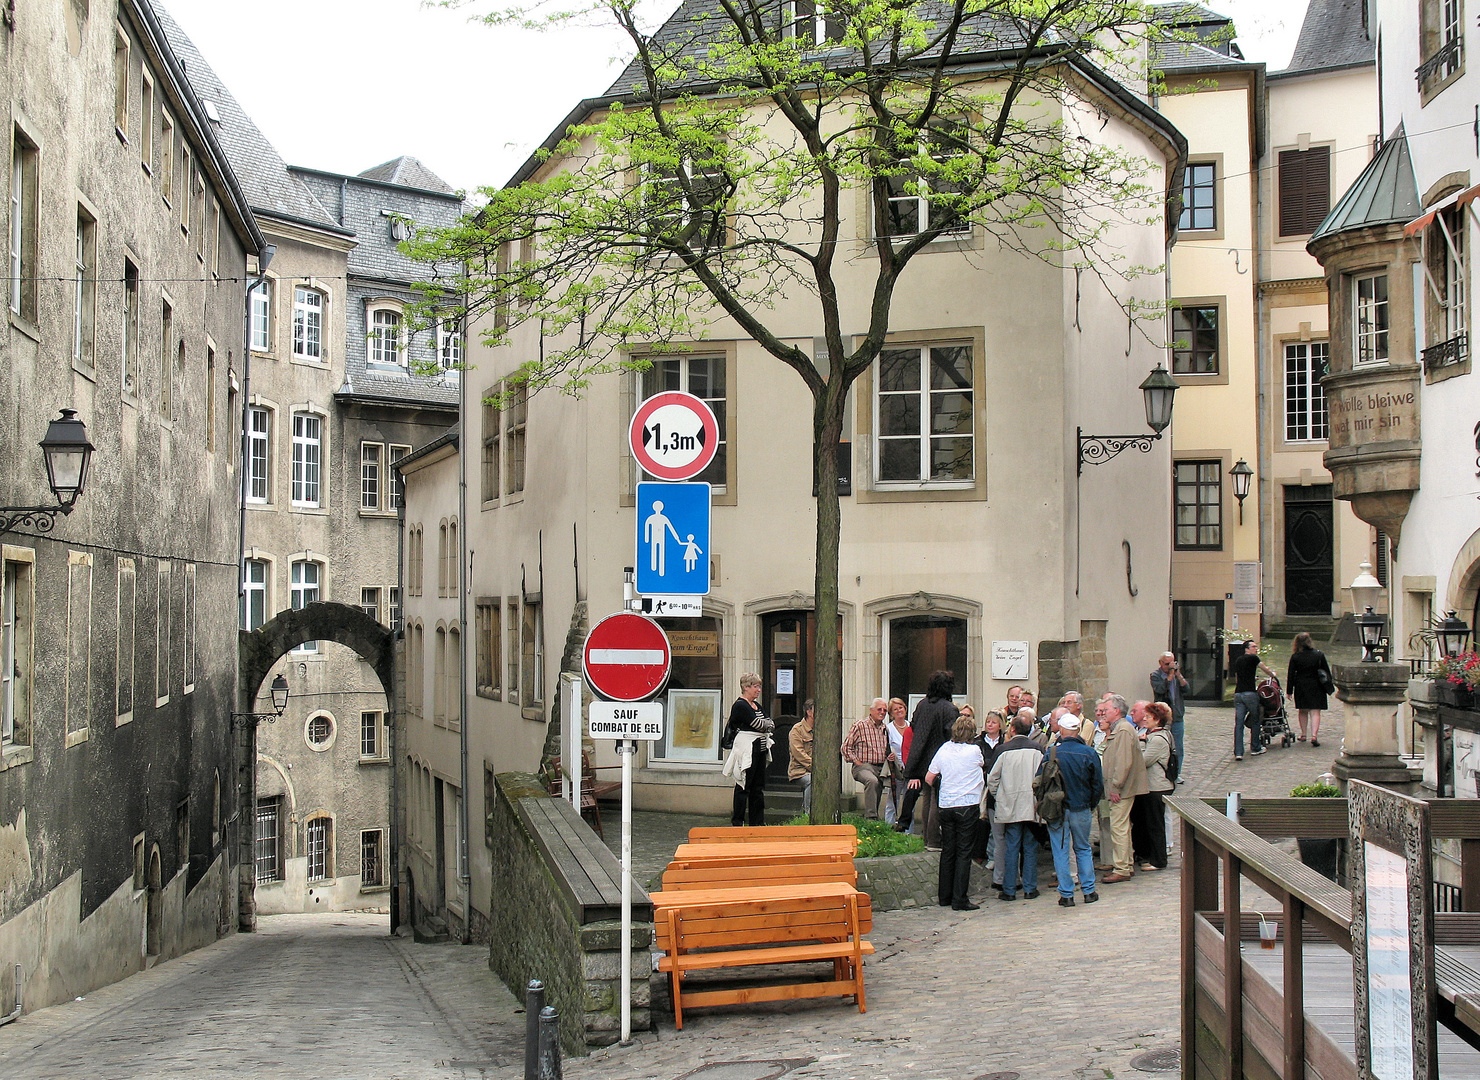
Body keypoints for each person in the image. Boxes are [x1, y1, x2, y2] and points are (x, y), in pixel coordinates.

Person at [1042, 711, 1104, 907]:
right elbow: (1097, 785)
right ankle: (1088, 890)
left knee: (1060, 851)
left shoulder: (1052, 752)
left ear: (1061, 729)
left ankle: (1066, 894)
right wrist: (1091, 804)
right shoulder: (1089, 753)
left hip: (1057, 809)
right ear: (1077, 731)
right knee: (1083, 848)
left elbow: (1040, 782)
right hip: (1081, 806)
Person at [925, 712, 985, 911]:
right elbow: (981, 766)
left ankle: (945, 896)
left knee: (948, 851)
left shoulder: (944, 749)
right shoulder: (975, 751)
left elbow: (929, 777)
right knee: (964, 852)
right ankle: (960, 898)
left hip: (947, 805)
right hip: (967, 804)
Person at [985, 714, 1045, 901]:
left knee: (1011, 847)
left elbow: (992, 779)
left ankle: (1009, 889)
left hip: (1010, 806)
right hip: (1031, 805)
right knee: (1030, 846)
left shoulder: (1003, 750)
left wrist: (1000, 796)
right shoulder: (1039, 749)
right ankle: (1030, 888)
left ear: (1012, 730)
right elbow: (1043, 777)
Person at [896, 670, 959, 848]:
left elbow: (914, 726)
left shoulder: (922, 705)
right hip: (940, 758)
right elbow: (951, 734)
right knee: (935, 800)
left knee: (926, 798)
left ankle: (926, 838)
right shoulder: (950, 709)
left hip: (922, 758)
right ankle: (934, 840)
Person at [1098, 694, 1147, 883]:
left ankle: (1121, 868)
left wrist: (1116, 786)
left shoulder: (1124, 730)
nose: (1103, 713)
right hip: (1119, 787)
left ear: (1117, 711)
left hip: (1121, 788)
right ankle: (1125, 864)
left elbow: (1124, 762)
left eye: (1106, 710)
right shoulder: (1119, 729)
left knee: (1118, 827)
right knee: (1122, 827)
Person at [721, 672, 774, 826]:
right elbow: (759, 724)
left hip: (760, 750)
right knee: (744, 785)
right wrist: (765, 725)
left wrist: (766, 725)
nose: (759, 690)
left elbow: (770, 724)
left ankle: (757, 822)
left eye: (759, 686)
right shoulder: (740, 706)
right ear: (746, 687)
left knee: (757, 788)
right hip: (748, 751)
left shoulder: (756, 705)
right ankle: (738, 822)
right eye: (756, 686)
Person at [1131, 701, 1174, 871]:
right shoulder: (1156, 735)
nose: (1145, 719)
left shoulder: (1157, 739)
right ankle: (1152, 855)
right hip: (1153, 785)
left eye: (1149, 717)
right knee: (1150, 823)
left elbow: (1144, 761)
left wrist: (1140, 743)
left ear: (1157, 720)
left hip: (1157, 786)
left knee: (1156, 824)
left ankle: (1159, 860)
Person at [843, 699, 892, 819]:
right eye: (879, 709)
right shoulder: (860, 725)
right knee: (872, 781)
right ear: (871, 710)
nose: (882, 712)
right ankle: (871, 817)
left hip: (881, 767)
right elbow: (846, 747)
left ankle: (872, 819)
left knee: (878, 786)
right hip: (863, 766)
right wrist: (856, 761)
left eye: (885, 710)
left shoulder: (885, 729)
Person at [1231, 640, 1276, 761]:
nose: (1256, 648)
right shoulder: (1254, 659)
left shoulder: (1239, 660)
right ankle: (1255, 747)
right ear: (1247, 648)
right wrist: (1273, 674)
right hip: (1250, 694)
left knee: (1239, 724)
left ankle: (1238, 752)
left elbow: (1238, 677)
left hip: (1238, 694)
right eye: (1253, 646)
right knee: (1256, 720)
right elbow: (1264, 668)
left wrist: (1252, 678)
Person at [973, 709, 1007, 870]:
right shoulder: (978, 742)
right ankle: (981, 852)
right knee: (981, 820)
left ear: (1000, 725)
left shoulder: (1004, 743)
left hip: (999, 786)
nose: (990, 725)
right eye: (988, 722)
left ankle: (993, 855)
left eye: (993, 722)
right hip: (982, 785)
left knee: (996, 823)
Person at [1287, 632, 1333, 747]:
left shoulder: (1296, 656)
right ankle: (1314, 735)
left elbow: (1291, 674)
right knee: (1315, 711)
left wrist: (1289, 691)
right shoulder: (1319, 655)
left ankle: (1303, 734)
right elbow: (1326, 672)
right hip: (1316, 685)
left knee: (1302, 710)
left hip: (1301, 685)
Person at [1150, 652, 1189, 774]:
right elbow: (1160, 689)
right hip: (1162, 717)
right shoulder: (1155, 676)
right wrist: (1170, 676)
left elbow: (1186, 689)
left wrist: (1178, 675)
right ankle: (1165, 773)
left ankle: (1177, 773)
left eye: (1172, 663)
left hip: (1177, 716)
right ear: (1160, 663)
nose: (1169, 667)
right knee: (1163, 746)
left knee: (1178, 747)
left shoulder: (1176, 676)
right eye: (1167, 664)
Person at [884, 698, 910, 825]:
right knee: (892, 800)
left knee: (909, 801)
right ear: (891, 713)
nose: (899, 710)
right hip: (896, 769)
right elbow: (885, 748)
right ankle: (888, 828)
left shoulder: (911, 726)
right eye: (895, 709)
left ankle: (908, 832)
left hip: (910, 769)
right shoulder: (888, 729)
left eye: (901, 707)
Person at [789, 700, 816, 814]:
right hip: (799, 771)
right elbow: (798, 754)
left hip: (816, 769)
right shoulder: (797, 730)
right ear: (809, 712)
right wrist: (815, 767)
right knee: (812, 781)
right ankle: (807, 812)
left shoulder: (822, 728)